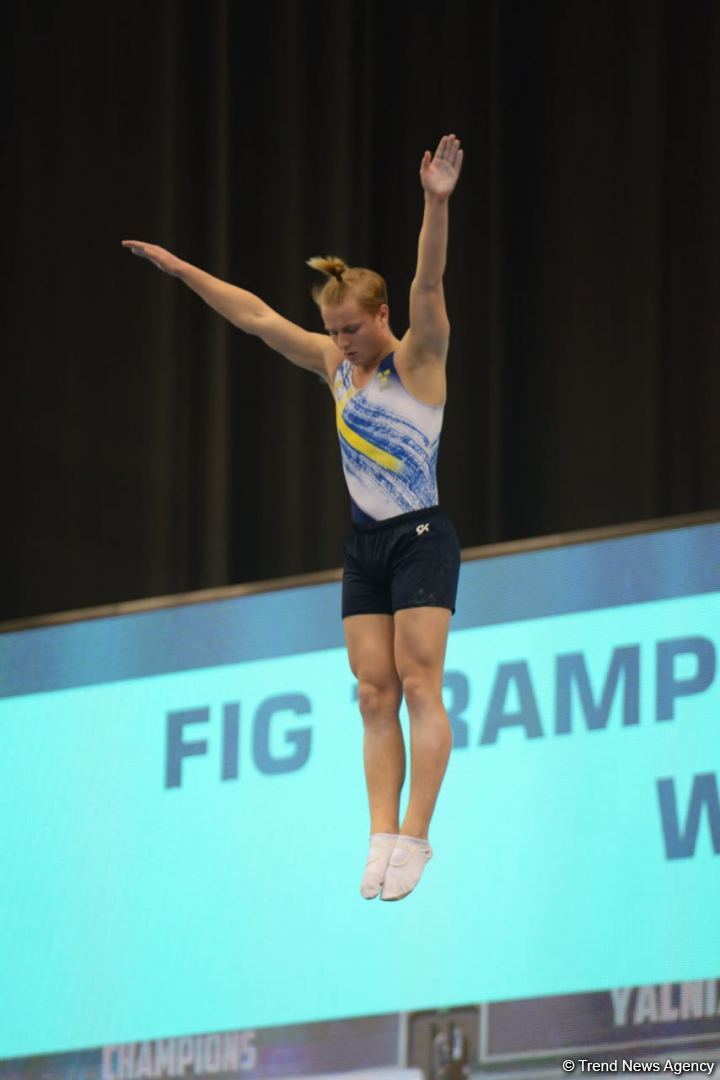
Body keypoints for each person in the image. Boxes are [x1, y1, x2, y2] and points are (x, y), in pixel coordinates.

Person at [122, 133, 463, 902]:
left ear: (380, 314)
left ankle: (416, 834)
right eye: (333, 331)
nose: (340, 343)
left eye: (351, 328)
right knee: (372, 693)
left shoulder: (419, 360)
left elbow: (429, 283)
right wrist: (181, 271)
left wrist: (435, 204)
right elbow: (253, 315)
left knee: (417, 685)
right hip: (364, 545)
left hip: (420, 537)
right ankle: (379, 833)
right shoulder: (331, 363)